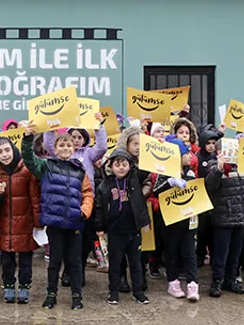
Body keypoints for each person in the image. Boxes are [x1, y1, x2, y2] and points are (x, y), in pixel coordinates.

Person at [22, 123, 93, 310]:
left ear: (74, 148)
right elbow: (29, 160)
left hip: (75, 223)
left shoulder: (80, 170)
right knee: (54, 261)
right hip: (54, 224)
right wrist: (28, 138)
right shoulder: (46, 166)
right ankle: (51, 294)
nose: (65, 148)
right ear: (55, 149)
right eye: (62, 145)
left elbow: (87, 193)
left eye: (69, 145)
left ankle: (77, 295)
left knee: (75, 262)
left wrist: (84, 211)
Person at [43, 114, 107, 287]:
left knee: (85, 241)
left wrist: (99, 126)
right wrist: (51, 125)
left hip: (85, 205)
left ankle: (79, 271)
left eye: (80, 137)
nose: (76, 140)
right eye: (73, 137)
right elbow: (49, 144)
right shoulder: (61, 154)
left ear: (85, 139)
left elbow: (102, 146)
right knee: (65, 242)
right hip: (64, 204)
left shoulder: (89, 154)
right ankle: (67, 271)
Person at [95, 148, 151, 305]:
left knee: (136, 264)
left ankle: (138, 292)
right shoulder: (105, 186)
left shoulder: (134, 180)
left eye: (124, 164)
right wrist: (99, 228)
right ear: (111, 166)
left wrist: (154, 146)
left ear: (130, 165)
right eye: (117, 164)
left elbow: (147, 168)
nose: (121, 167)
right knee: (115, 264)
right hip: (115, 232)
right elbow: (99, 208)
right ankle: (113, 292)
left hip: (133, 231)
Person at [205, 141, 244, 298]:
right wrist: (219, 168)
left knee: (235, 252)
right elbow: (210, 185)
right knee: (221, 252)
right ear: (219, 151)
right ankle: (217, 282)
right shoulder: (213, 165)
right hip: (224, 217)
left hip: (241, 218)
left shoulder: (242, 166)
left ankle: (230, 279)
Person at [0, 137, 41, 304]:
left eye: (7, 150)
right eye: (0, 152)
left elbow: (35, 198)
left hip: (25, 223)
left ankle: (24, 286)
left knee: (25, 259)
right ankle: (8, 285)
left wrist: (38, 222)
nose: (4, 155)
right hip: (5, 224)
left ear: (13, 149)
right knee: (6, 259)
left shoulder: (26, 170)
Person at [153, 137, 200, 302]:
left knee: (189, 253)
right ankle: (173, 283)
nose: (189, 156)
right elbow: (156, 191)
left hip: (188, 219)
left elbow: (196, 194)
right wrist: (169, 182)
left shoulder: (190, 172)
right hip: (170, 220)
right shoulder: (165, 172)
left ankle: (193, 284)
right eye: (186, 153)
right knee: (171, 252)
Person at [196, 128, 223, 267]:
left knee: (214, 230)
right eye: (208, 143)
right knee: (202, 229)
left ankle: (213, 255)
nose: (211, 146)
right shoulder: (198, 157)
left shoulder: (218, 158)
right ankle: (200, 254)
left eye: (214, 143)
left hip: (215, 198)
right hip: (201, 197)